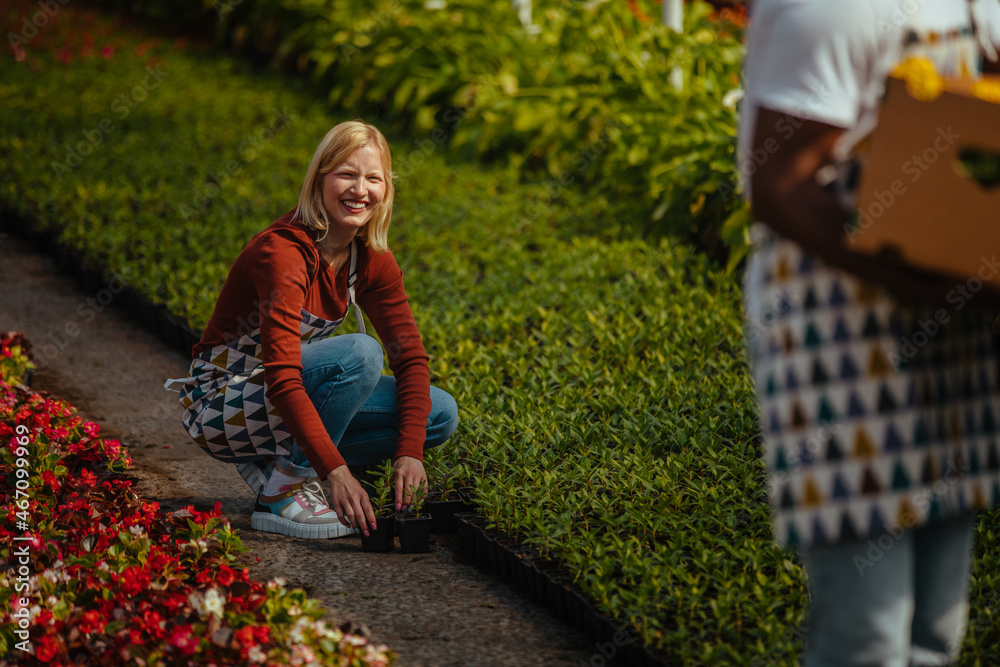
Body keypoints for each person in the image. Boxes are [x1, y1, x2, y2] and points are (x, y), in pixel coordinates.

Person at [739, 0, 1000, 663]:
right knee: (867, 641)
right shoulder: (831, 9)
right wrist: (911, 269)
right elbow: (778, 183)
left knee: (935, 634)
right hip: (837, 332)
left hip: (953, 328)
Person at [165, 120, 459, 540]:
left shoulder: (371, 258)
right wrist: (334, 472)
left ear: (386, 190)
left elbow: (410, 358)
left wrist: (409, 453)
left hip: (277, 403)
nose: (360, 189)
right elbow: (283, 376)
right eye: (346, 173)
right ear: (320, 179)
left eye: (373, 178)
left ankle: (295, 468)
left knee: (439, 414)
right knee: (360, 353)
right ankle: (285, 490)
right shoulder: (283, 253)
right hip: (221, 407)